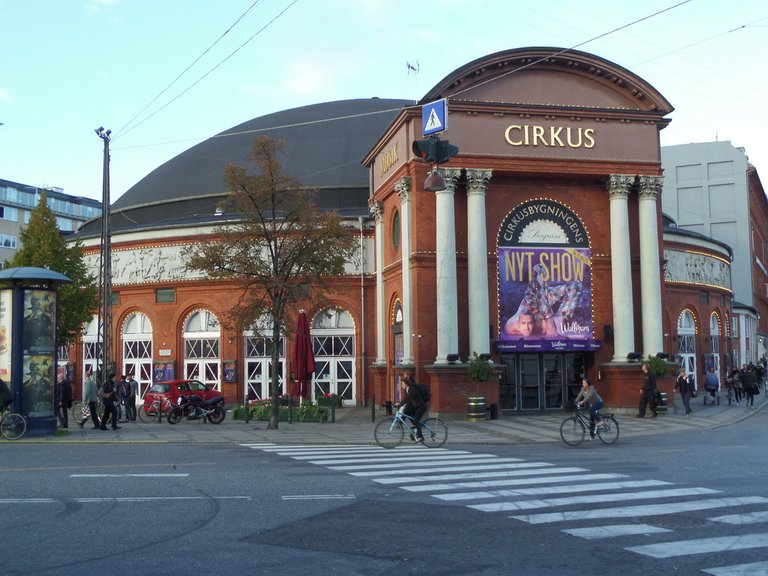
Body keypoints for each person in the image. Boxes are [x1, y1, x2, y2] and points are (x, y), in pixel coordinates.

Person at [396, 370, 428, 443]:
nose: (402, 385)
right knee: (406, 411)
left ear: (406, 383)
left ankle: (420, 437)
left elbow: (408, 398)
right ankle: (411, 426)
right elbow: (407, 399)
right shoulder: (408, 389)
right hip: (415, 406)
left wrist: (400, 404)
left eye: (402, 384)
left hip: (421, 407)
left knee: (416, 420)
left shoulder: (412, 389)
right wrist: (401, 404)